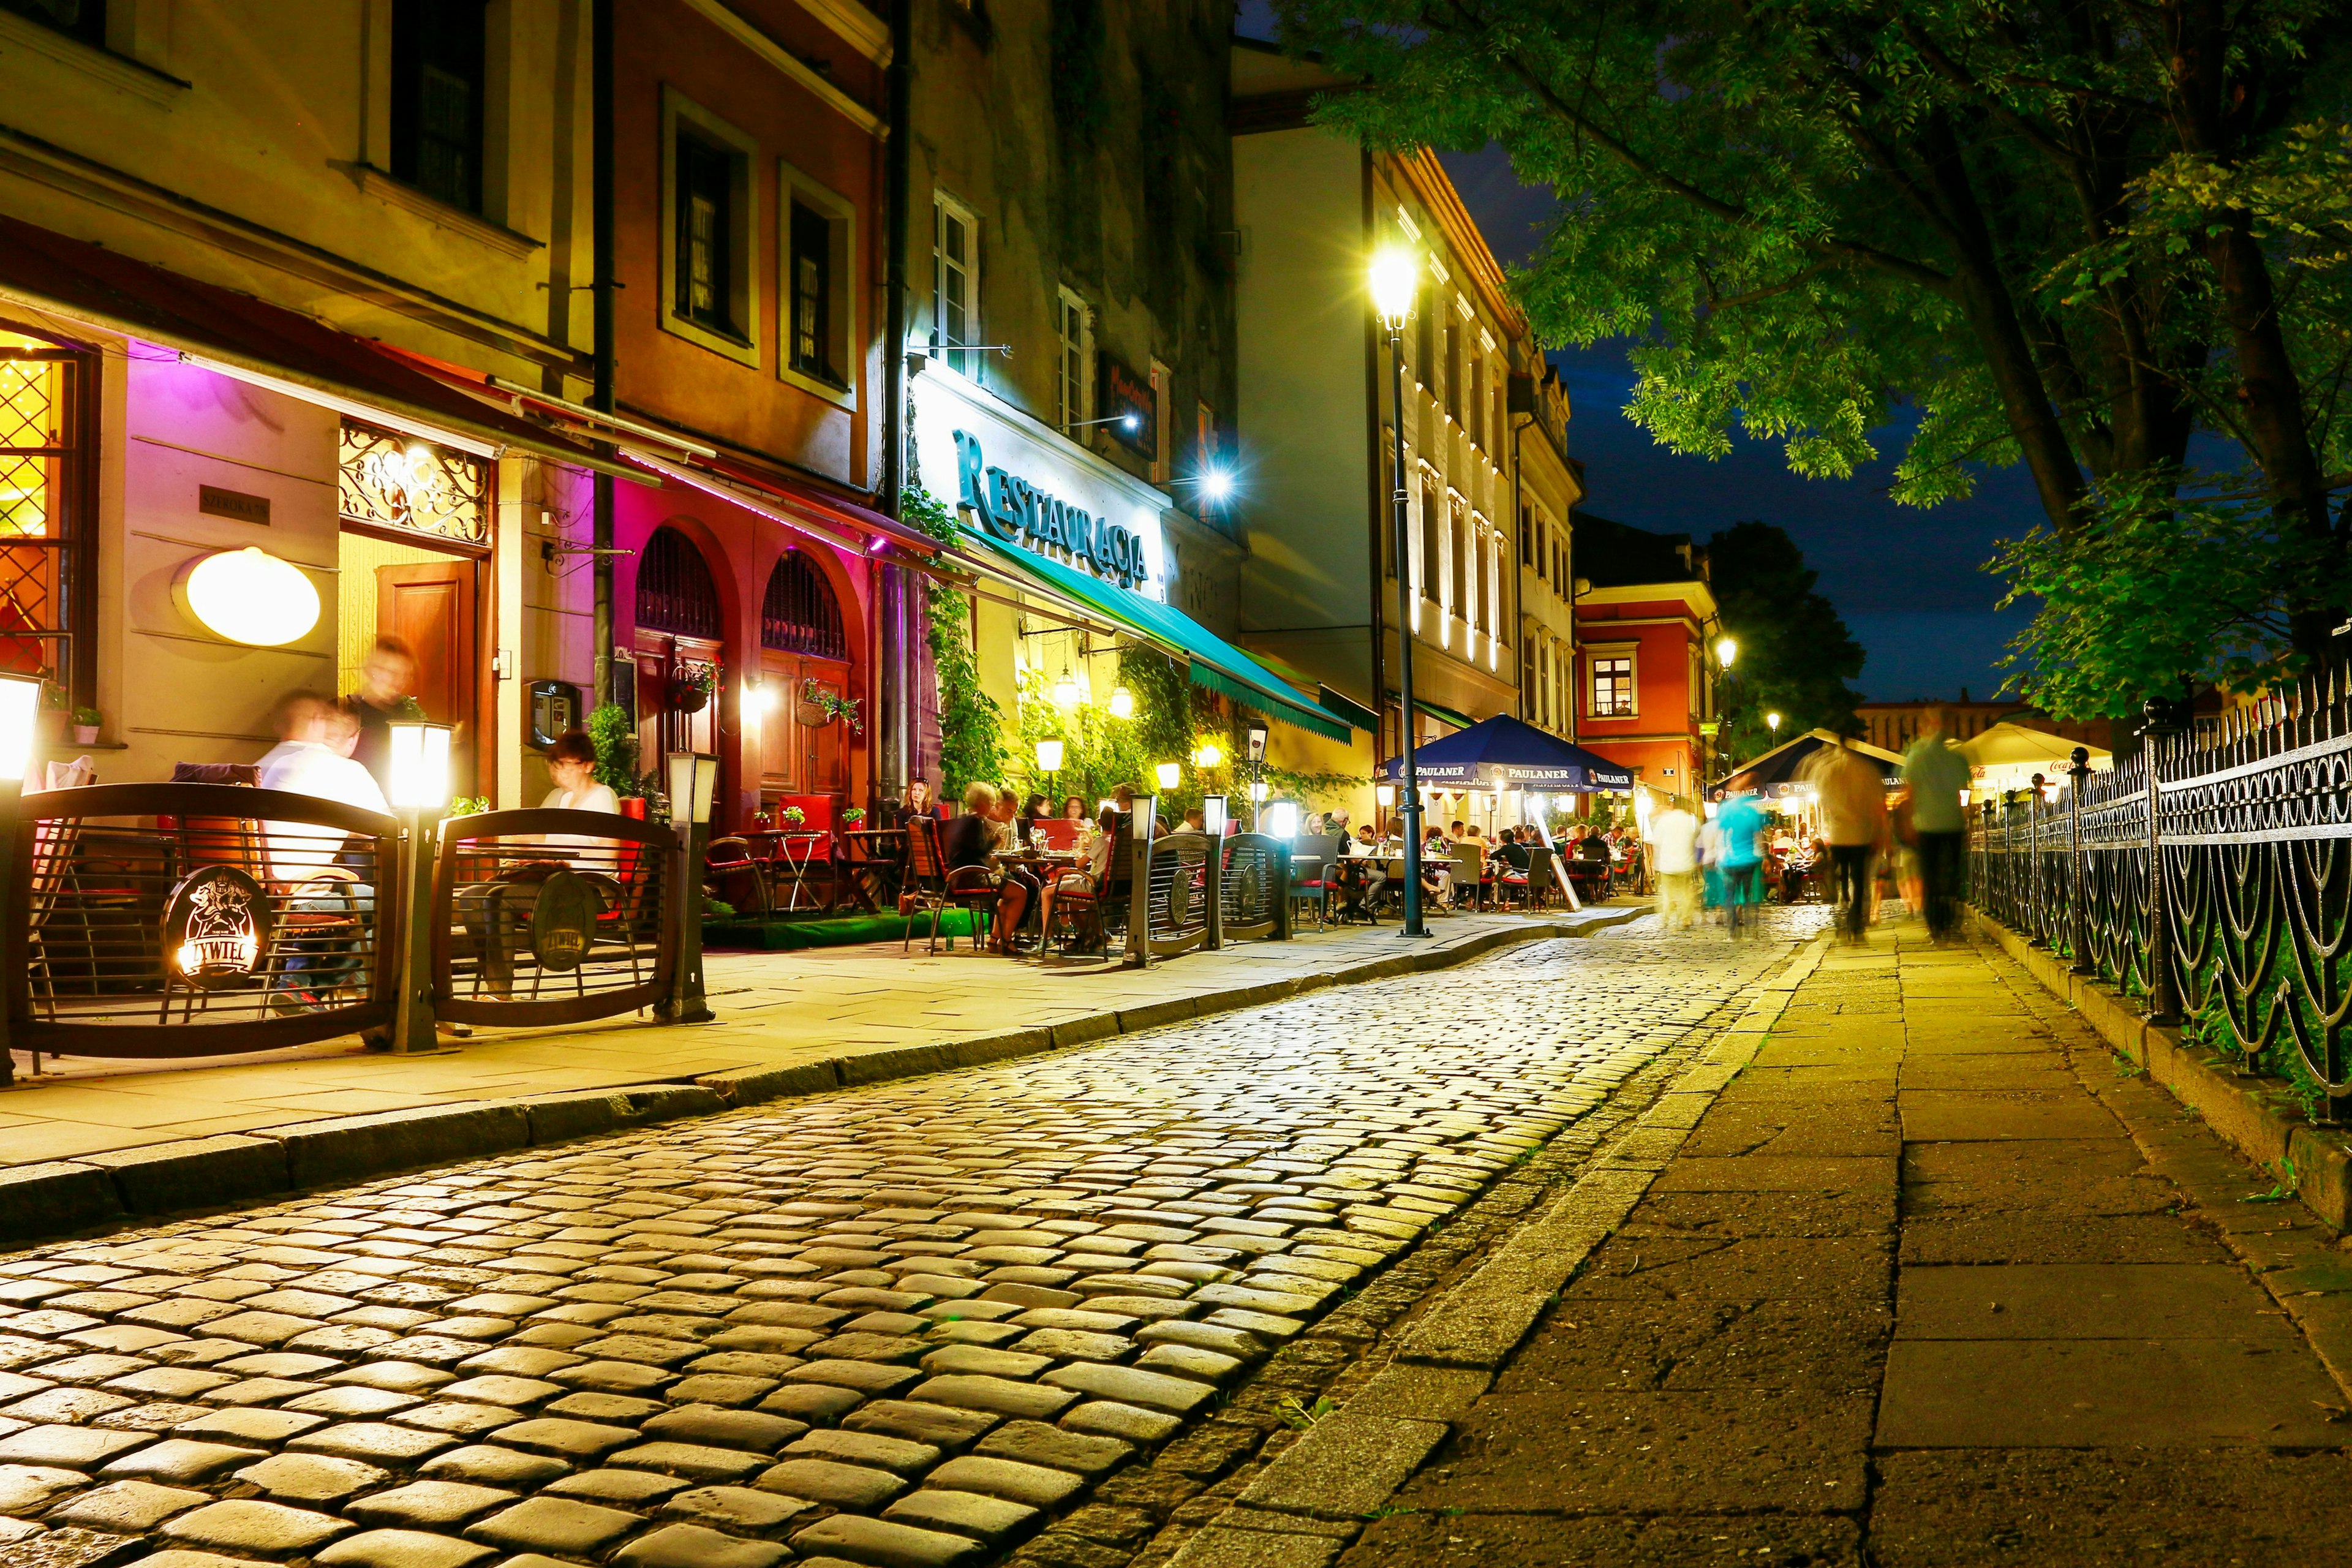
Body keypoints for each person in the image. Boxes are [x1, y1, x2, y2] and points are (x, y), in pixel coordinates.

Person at [257, 693, 389, 1008]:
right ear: (354, 738)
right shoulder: (350, 772)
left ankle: (299, 986)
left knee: (351, 898)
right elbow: (388, 830)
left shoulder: (282, 763)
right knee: (391, 903)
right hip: (303, 891)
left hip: (263, 889)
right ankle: (340, 989)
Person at [1808, 736, 1890, 943]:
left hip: (1838, 834)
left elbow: (1823, 796)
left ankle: (1842, 906)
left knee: (1840, 876)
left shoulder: (1827, 769)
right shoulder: (1865, 769)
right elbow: (1876, 801)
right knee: (1860, 880)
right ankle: (1855, 920)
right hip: (1860, 835)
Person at [1902, 711, 1973, 941]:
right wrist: (1965, 815)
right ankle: (1950, 917)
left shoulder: (1916, 757)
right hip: (1952, 823)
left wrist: (1908, 822)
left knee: (1930, 877)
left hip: (1926, 825)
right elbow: (1964, 793)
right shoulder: (1958, 758)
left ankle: (1935, 924)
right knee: (1952, 873)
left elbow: (1910, 792)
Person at [342, 634, 419, 790]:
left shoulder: (410, 714)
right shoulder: (347, 711)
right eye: (387, 671)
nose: (394, 680)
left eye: (402, 674)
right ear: (370, 670)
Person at [1716, 775, 1771, 937]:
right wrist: (1765, 857)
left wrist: (1718, 855)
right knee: (1747, 894)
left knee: (1730, 895)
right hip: (1749, 860)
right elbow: (1758, 838)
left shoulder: (1726, 809)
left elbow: (1721, 835)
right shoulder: (1752, 812)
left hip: (1730, 860)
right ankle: (1748, 927)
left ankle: (1732, 928)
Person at [1651, 797, 1700, 930]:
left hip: (1667, 864)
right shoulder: (1691, 820)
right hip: (1685, 863)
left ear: (1672, 805)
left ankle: (1666, 919)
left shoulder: (1664, 820)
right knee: (1685, 893)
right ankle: (1685, 919)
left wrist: (1656, 863)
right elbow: (1696, 838)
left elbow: (1657, 843)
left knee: (1667, 893)